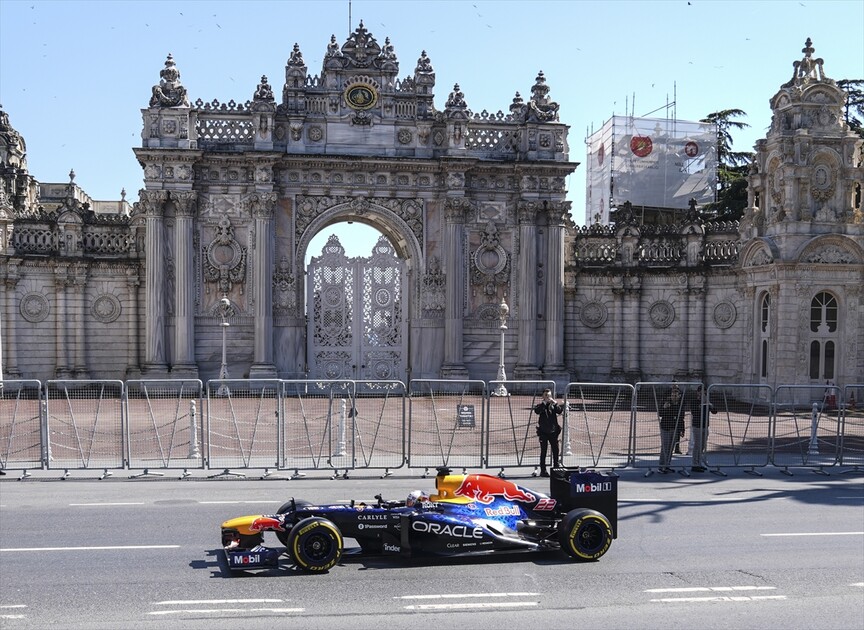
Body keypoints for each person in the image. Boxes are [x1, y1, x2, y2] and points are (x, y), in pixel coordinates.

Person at [533, 388, 564, 477]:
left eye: (549, 396)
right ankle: (543, 470)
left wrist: (555, 403)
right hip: (543, 431)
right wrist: (544, 403)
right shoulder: (540, 405)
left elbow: (559, 411)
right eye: (546, 396)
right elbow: (537, 411)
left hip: (553, 431)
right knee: (544, 451)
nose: (548, 397)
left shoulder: (553, 405)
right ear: (543, 396)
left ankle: (556, 468)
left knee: (555, 450)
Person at [687, 385, 716, 472]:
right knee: (697, 445)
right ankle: (694, 464)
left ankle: (699, 462)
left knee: (702, 445)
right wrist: (701, 404)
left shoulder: (707, 401)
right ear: (698, 392)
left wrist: (709, 404)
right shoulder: (694, 401)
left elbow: (715, 411)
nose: (703, 394)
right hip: (697, 426)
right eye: (701, 392)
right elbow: (694, 412)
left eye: (705, 393)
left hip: (705, 426)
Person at [657, 385, 684, 473]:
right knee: (665, 447)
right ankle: (661, 466)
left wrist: (682, 429)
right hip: (666, 427)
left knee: (671, 447)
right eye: (673, 393)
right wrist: (664, 408)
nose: (675, 395)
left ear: (679, 395)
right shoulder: (666, 402)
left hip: (674, 428)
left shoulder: (680, 404)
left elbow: (681, 417)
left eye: (676, 393)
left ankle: (667, 465)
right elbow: (660, 413)